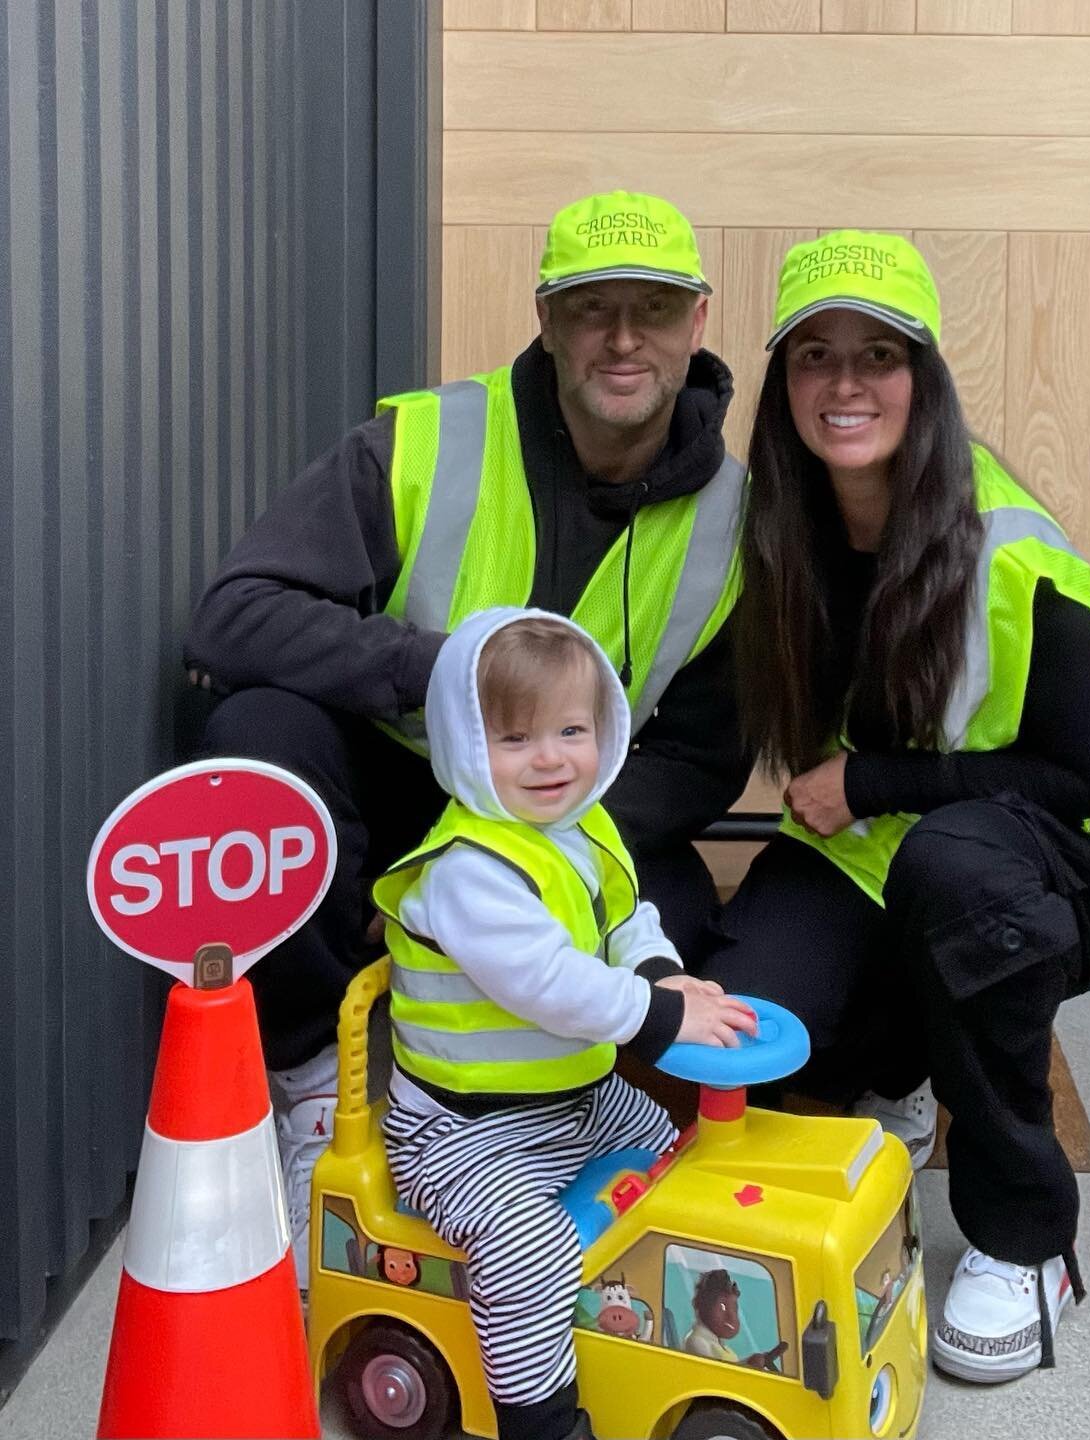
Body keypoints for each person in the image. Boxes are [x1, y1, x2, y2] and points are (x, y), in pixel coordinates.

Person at [182, 190, 750, 1279]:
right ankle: (309, 1079)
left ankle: (557, 1104)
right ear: (544, 316)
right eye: (593, 309)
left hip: (567, 824)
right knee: (256, 737)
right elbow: (235, 613)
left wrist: (546, 836)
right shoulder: (427, 440)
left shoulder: (735, 517)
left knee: (676, 918)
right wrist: (434, 664)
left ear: (697, 321)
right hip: (393, 793)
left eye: (653, 309)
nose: (624, 338)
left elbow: (708, 757)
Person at [699, 231, 1090, 1383]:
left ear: (925, 377)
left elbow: (1083, 777)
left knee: (957, 877)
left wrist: (872, 780)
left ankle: (1026, 1240)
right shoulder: (774, 529)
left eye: (879, 354)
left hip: (1047, 861)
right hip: (873, 857)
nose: (846, 384)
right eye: (815, 356)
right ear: (785, 385)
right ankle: (901, 1065)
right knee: (757, 1027)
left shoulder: (1011, 549)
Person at [376, 607, 756, 1440]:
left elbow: (627, 917)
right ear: (466, 749)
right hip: (462, 1131)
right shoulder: (471, 871)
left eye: (572, 730)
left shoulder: (582, 828)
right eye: (514, 740)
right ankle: (541, 1419)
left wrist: (663, 974)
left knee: (668, 1142)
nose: (550, 759)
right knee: (528, 1252)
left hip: (573, 1098)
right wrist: (657, 1018)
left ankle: (629, 1326)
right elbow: (546, 982)